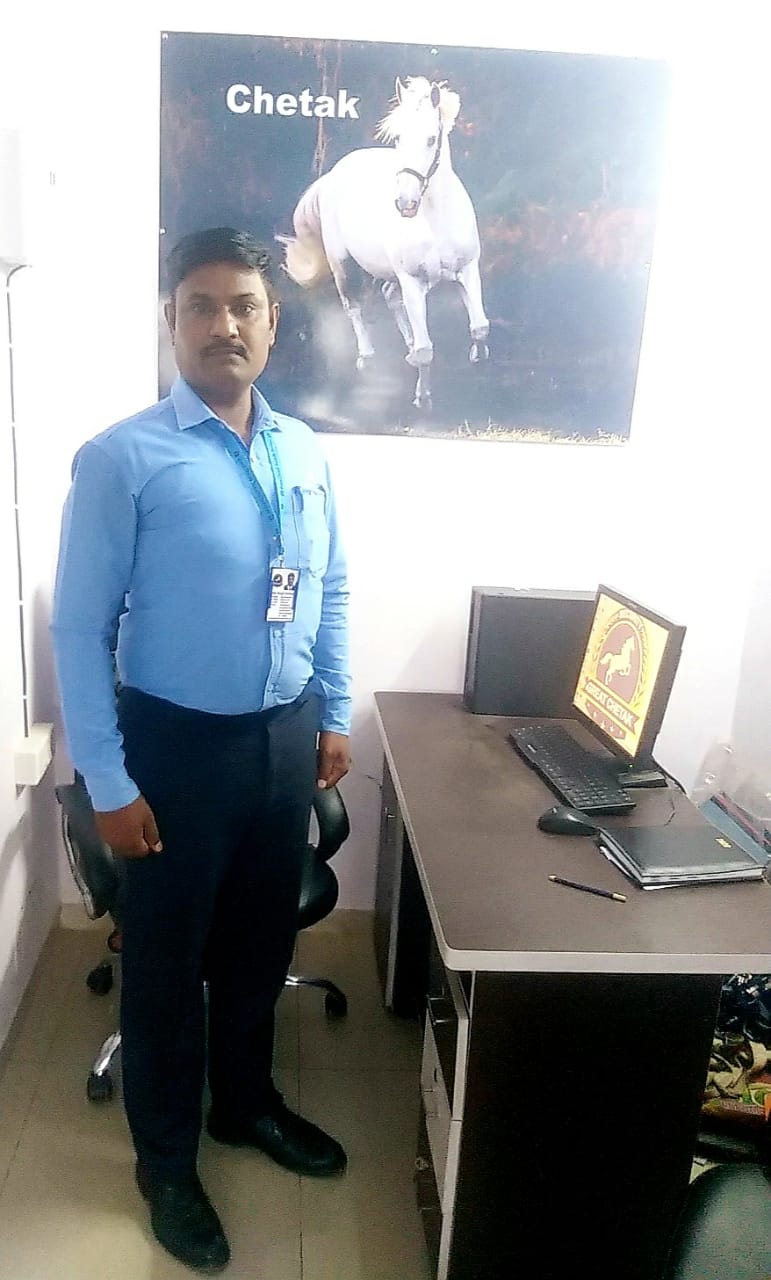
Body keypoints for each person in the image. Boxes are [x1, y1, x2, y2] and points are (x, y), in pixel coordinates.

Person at [51, 227, 352, 1274]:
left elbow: (331, 588)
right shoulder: (122, 457)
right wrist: (107, 779)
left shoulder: (303, 449)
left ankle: (245, 1104)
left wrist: (334, 711)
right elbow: (78, 630)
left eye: (244, 306)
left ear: (273, 322)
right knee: (167, 969)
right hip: (173, 749)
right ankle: (167, 1161)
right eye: (201, 306)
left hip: (283, 737)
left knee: (260, 948)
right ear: (172, 322)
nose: (225, 324)